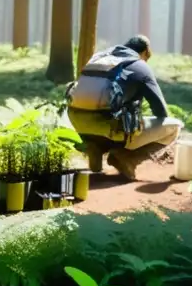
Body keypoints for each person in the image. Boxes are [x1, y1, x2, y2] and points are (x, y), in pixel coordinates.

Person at [66, 35, 183, 181]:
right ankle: (127, 158)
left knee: (104, 116)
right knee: (174, 127)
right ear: (145, 52)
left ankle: (95, 147)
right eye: (147, 57)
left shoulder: (98, 58)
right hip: (111, 128)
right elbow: (160, 111)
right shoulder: (140, 66)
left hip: (79, 126)